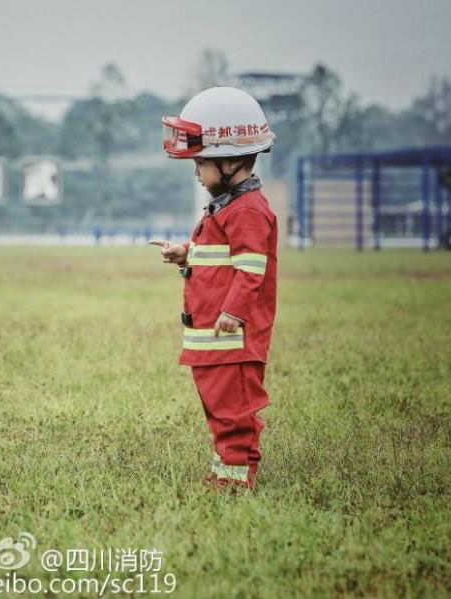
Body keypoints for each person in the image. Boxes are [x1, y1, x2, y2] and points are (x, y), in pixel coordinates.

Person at [151, 87, 278, 490]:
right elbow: (217, 256)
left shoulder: (249, 212)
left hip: (232, 337)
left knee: (234, 409)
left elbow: (250, 270)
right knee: (217, 407)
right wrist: (185, 253)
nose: (196, 173)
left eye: (201, 164)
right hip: (210, 336)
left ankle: (238, 476)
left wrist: (233, 312)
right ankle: (225, 466)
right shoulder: (225, 206)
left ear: (232, 161)